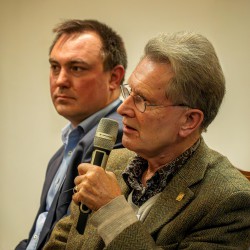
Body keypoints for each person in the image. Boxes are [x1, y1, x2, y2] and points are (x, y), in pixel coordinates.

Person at [44, 31, 250, 249]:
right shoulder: (112, 162)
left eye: (142, 100)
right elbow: (61, 242)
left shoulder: (230, 201)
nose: (123, 108)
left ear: (189, 120)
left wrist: (112, 211)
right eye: (129, 92)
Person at [15, 19, 127, 250]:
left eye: (76, 68)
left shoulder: (115, 136)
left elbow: (74, 240)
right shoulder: (67, 145)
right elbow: (42, 234)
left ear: (114, 78)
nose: (61, 81)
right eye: (55, 67)